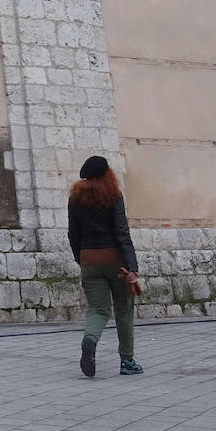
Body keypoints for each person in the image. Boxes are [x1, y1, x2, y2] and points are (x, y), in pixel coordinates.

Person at [68, 155, 143, 377]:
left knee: (98, 310)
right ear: (106, 174)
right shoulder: (114, 196)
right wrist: (132, 267)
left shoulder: (75, 199)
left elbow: (73, 234)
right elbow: (122, 233)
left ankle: (90, 340)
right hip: (115, 261)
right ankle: (127, 361)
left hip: (89, 260)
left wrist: (81, 259)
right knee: (124, 309)